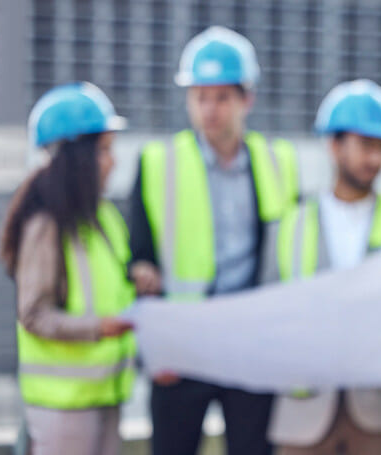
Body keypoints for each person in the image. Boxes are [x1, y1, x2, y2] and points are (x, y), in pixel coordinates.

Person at [128, 26, 299, 455]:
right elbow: (137, 256)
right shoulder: (157, 163)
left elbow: (292, 253)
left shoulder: (279, 163)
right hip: (181, 348)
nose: (209, 109)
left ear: (247, 99)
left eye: (221, 97)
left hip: (251, 342)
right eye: (199, 96)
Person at [262, 79, 381, 455]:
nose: (376, 159)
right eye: (366, 145)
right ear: (334, 144)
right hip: (304, 408)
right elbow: (269, 313)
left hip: (380, 409)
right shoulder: (290, 225)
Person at [0, 82, 135, 455]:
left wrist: (139, 282)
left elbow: (110, 286)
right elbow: (34, 313)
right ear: (76, 157)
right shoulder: (46, 225)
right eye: (104, 150)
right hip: (63, 405)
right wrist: (99, 328)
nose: (113, 161)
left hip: (105, 392)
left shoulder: (102, 217)